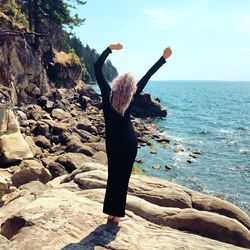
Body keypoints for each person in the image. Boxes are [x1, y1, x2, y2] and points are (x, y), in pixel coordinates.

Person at [94, 43, 172, 223]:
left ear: (116, 83)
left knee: (113, 176)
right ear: (131, 89)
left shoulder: (107, 95)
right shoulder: (131, 98)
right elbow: (147, 76)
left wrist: (109, 48)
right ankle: (116, 215)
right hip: (129, 143)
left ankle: (111, 213)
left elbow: (97, 67)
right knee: (123, 179)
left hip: (112, 142)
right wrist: (163, 58)